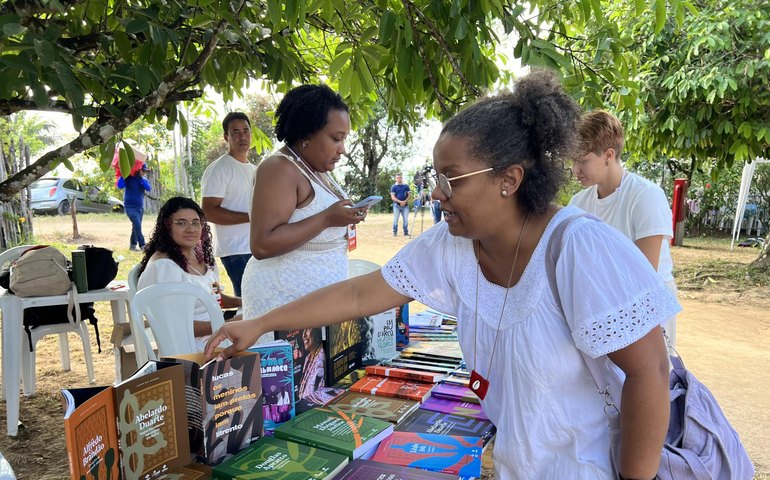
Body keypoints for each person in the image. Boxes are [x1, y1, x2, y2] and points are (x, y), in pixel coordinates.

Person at [206, 70, 679, 479]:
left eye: (451, 178)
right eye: (436, 178)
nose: (436, 193)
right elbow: (357, 296)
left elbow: (649, 372)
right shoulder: (452, 244)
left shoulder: (578, 247)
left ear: (509, 180)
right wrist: (261, 323)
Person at [240, 84, 368, 345]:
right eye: (336, 138)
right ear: (307, 133)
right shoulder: (279, 169)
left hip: (316, 303)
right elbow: (262, 243)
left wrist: (346, 216)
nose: (342, 148)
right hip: (283, 301)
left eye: (344, 139)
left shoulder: (316, 169)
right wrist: (326, 219)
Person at [569, 110, 678, 346]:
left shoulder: (645, 196)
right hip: (602, 306)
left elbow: (645, 273)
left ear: (608, 155)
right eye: (573, 160)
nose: (575, 169)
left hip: (645, 304)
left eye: (582, 161)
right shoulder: (578, 203)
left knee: (647, 380)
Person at [138, 197, 241, 350]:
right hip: (192, 349)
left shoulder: (199, 257)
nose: (190, 229)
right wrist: (227, 325)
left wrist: (244, 302)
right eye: (181, 223)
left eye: (195, 222)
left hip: (217, 334)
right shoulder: (164, 268)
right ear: (166, 226)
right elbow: (175, 327)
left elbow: (216, 298)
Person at [201, 112, 257, 297]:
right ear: (226, 136)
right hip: (235, 249)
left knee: (257, 301)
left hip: (257, 246)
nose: (242, 136)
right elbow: (209, 212)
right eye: (236, 132)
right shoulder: (220, 169)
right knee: (248, 302)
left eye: (246, 131)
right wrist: (251, 217)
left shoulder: (255, 170)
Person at [117, 164, 151, 251]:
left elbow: (148, 188)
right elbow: (120, 186)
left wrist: (140, 179)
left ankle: (132, 245)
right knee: (137, 225)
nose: (144, 173)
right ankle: (142, 245)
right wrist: (122, 175)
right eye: (143, 171)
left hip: (140, 208)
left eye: (145, 171)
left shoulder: (143, 180)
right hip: (130, 207)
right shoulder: (128, 178)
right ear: (138, 170)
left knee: (135, 226)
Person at [298, 328, 325, 399]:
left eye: (308, 329)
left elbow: (318, 392)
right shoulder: (308, 358)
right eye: (303, 330)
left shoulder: (322, 356)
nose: (303, 335)